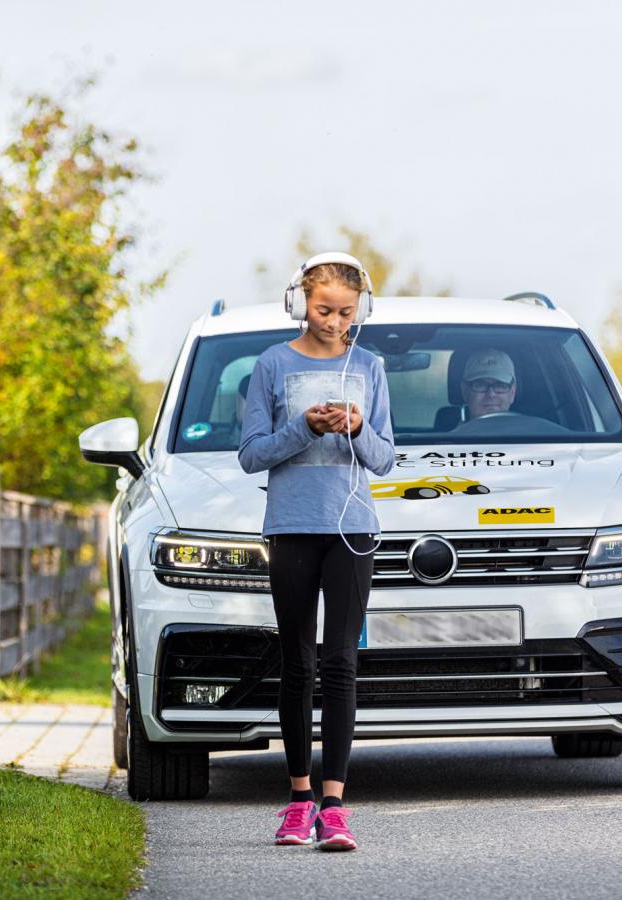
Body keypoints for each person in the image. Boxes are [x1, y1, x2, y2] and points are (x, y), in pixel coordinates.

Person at [237, 253, 395, 852]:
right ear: (300, 303)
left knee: (341, 665)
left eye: (346, 312)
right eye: (323, 309)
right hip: (293, 528)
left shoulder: (371, 367)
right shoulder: (271, 364)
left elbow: (385, 458)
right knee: (298, 663)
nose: (334, 322)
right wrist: (305, 425)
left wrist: (356, 427)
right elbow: (252, 454)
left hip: (353, 529)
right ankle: (298, 800)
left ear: (364, 309)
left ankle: (335, 805)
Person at [461, 347, 517, 418]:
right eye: (480, 385)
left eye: (500, 386)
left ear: (513, 392)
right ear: (465, 391)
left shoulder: (532, 428)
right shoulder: (453, 429)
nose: (491, 394)